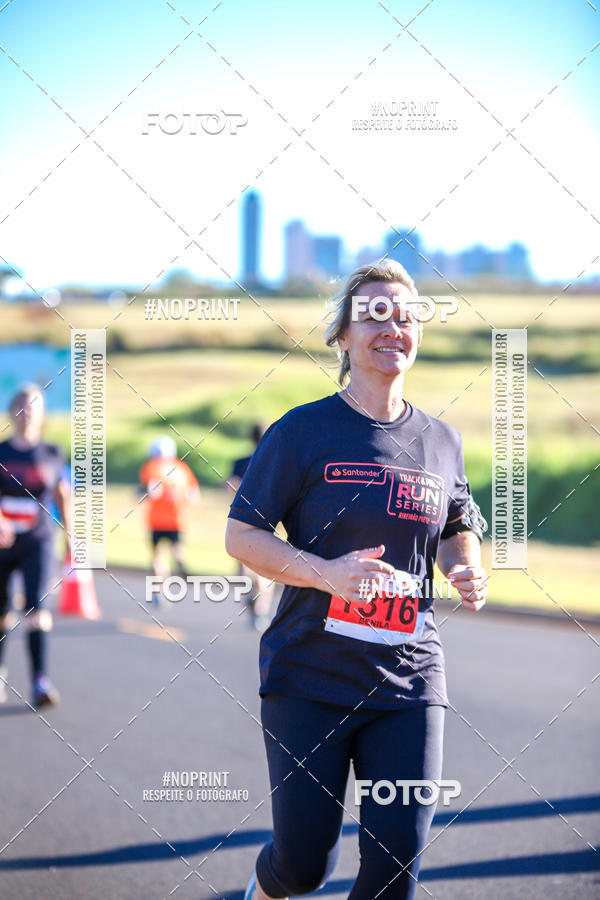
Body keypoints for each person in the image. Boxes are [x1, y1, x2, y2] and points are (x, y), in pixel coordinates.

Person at [225, 261, 489, 900]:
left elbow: (458, 521)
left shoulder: (441, 440)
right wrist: (326, 575)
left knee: (396, 867)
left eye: (405, 316)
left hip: (409, 676)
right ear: (342, 337)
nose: (392, 326)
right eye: (373, 315)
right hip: (309, 676)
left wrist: (464, 563)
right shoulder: (302, 431)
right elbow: (241, 536)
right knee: (303, 866)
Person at [0, 384, 70, 708]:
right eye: (22, 407)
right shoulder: (2, 452)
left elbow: (61, 496)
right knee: (2, 611)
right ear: (13, 412)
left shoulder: (52, 453)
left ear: (42, 415)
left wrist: (70, 536)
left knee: (36, 609)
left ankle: (40, 682)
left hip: (37, 540)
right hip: (2, 542)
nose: (27, 413)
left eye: (34, 407)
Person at [227, 424, 277, 631]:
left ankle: (258, 608)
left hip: (249, 521)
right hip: (263, 520)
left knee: (250, 568)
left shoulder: (247, 462)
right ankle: (259, 607)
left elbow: (230, 486)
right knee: (260, 569)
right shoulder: (272, 460)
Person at [138, 437, 199, 603]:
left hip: (156, 519)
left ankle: (159, 592)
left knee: (158, 555)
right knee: (177, 548)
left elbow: (150, 490)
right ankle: (182, 565)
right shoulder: (181, 468)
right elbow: (193, 493)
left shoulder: (152, 467)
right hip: (177, 518)